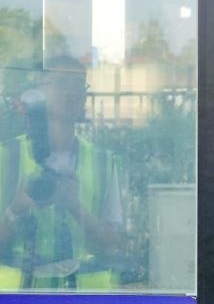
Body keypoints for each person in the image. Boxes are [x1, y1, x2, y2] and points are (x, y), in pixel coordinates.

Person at [0, 56, 124, 290]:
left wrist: (76, 208)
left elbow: (114, 244)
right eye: (61, 82)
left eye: (78, 84)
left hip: (85, 303)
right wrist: (17, 208)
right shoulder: (6, 156)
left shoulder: (104, 162)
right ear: (38, 92)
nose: (71, 92)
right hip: (16, 303)